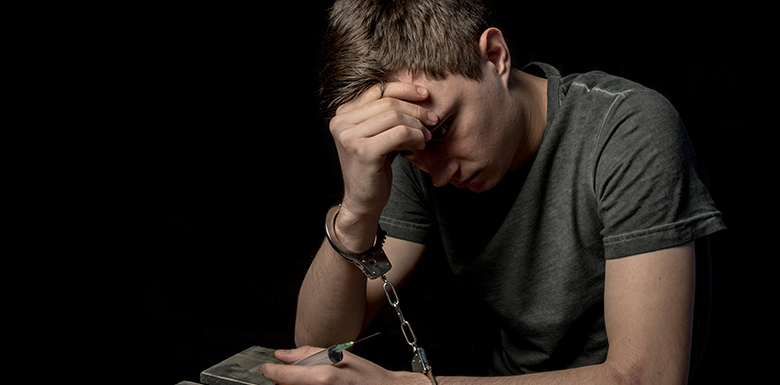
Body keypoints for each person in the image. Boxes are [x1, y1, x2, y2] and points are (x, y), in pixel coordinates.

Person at [261, 0, 726, 384]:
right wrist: (357, 211)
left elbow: (649, 377)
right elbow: (320, 345)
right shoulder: (419, 154)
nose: (437, 175)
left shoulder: (628, 129)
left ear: (496, 56)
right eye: (410, 151)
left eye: (441, 129)